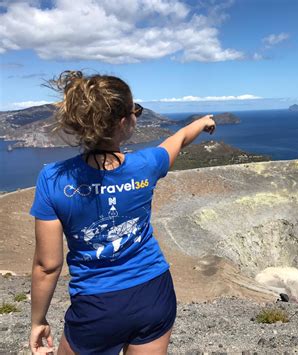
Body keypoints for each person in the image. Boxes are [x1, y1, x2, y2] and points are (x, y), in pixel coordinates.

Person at [28, 70, 216, 354]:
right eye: (135, 110)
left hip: (96, 305)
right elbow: (179, 139)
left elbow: (47, 265)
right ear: (124, 121)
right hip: (154, 293)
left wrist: (38, 320)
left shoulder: (53, 179)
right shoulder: (147, 164)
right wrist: (202, 123)